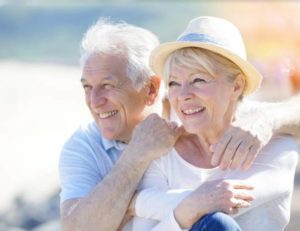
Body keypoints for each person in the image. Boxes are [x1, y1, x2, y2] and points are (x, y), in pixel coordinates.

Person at [59, 18, 300, 231]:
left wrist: (136, 202)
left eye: (108, 86)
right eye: (87, 88)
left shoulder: (262, 132)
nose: (94, 101)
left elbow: (228, 201)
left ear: (152, 89)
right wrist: (137, 155)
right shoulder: (96, 147)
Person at [131, 16, 299, 231]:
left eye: (198, 80)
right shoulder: (164, 150)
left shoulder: (274, 142)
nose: (183, 95)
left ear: (237, 86)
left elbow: (226, 204)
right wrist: (189, 207)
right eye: (173, 83)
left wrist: (140, 202)